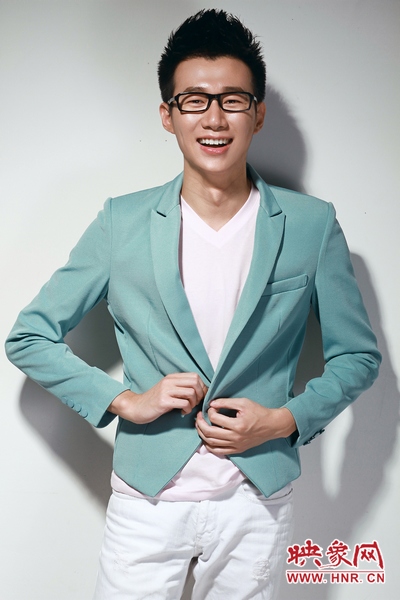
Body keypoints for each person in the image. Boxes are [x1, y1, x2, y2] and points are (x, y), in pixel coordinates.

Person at [5, 9, 381, 600]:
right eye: (194, 101)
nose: (214, 118)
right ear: (168, 115)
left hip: (257, 501)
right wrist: (125, 402)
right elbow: (29, 337)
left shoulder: (311, 225)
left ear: (257, 113)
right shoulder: (121, 222)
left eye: (232, 100)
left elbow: (358, 356)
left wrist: (284, 420)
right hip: (146, 500)